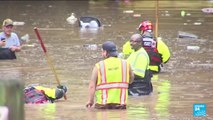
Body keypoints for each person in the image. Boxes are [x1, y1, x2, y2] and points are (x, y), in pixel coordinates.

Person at [86, 41, 134, 109]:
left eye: (102, 51)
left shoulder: (99, 66)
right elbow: (131, 80)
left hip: (103, 104)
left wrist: (90, 101)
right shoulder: (126, 64)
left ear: (105, 52)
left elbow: (92, 86)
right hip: (121, 104)